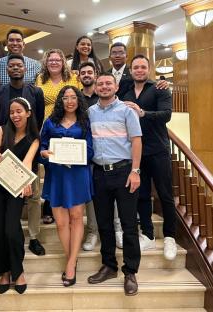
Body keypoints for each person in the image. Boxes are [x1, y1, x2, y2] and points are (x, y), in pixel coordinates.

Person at [88, 73, 142, 296]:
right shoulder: (90, 112)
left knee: (129, 225)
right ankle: (109, 265)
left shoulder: (127, 111)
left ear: (116, 86)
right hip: (99, 173)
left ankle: (130, 271)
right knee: (104, 223)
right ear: (96, 87)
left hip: (124, 172)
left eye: (108, 83)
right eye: (100, 83)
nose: (103, 86)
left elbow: (137, 140)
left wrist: (135, 171)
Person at [0, 54, 45, 256]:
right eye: (11, 66)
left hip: (30, 145)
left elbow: (38, 119)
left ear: (25, 69)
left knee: (33, 198)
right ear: (6, 69)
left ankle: (34, 237)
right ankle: (11, 236)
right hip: (6, 155)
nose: (15, 68)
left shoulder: (35, 91)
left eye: (19, 66)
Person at [123, 55, 177, 260]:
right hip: (136, 152)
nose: (139, 70)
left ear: (149, 69)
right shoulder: (125, 90)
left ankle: (170, 237)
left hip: (158, 150)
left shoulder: (160, 88)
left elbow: (166, 115)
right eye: (135, 67)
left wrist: (143, 113)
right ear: (131, 69)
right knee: (142, 195)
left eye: (143, 67)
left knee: (165, 195)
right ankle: (147, 234)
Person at [40, 86, 93, 287]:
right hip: (57, 175)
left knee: (76, 217)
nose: (69, 101)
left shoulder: (84, 121)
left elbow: (90, 149)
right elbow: (42, 146)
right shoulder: (50, 121)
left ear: (78, 100)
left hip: (77, 174)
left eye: (73, 97)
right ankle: (71, 256)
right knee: (61, 222)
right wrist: (44, 154)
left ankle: (70, 263)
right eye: (65, 97)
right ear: (60, 101)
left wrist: (78, 157)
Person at [0, 97, 40, 294]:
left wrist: (26, 182)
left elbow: (27, 162)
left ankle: (18, 271)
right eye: (12, 112)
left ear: (28, 113)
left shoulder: (34, 138)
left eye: (19, 111)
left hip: (16, 187)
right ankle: (5, 272)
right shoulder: (2, 130)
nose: (15, 115)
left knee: (11, 229)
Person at [36, 48, 81, 224]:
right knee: (51, 166)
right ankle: (50, 205)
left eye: (57, 60)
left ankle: (71, 204)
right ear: (46, 63)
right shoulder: (40, 79)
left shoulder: (73, 78)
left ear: (63, 62)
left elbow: (79, 100)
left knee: (70, 165)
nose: (54, 62)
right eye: (50, 60)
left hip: (71, 124)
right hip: (48, 126)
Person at [77, 62, 98, 251]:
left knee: (111, 197)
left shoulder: (106, 96)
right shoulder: (77, 99)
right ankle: (92, 231)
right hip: (85, 155)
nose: (86, 75)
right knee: (91, 197)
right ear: (79, 77)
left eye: (89, 72)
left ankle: (117, 229)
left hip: (108, 154)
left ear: (96, 75)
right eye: (83, 73)